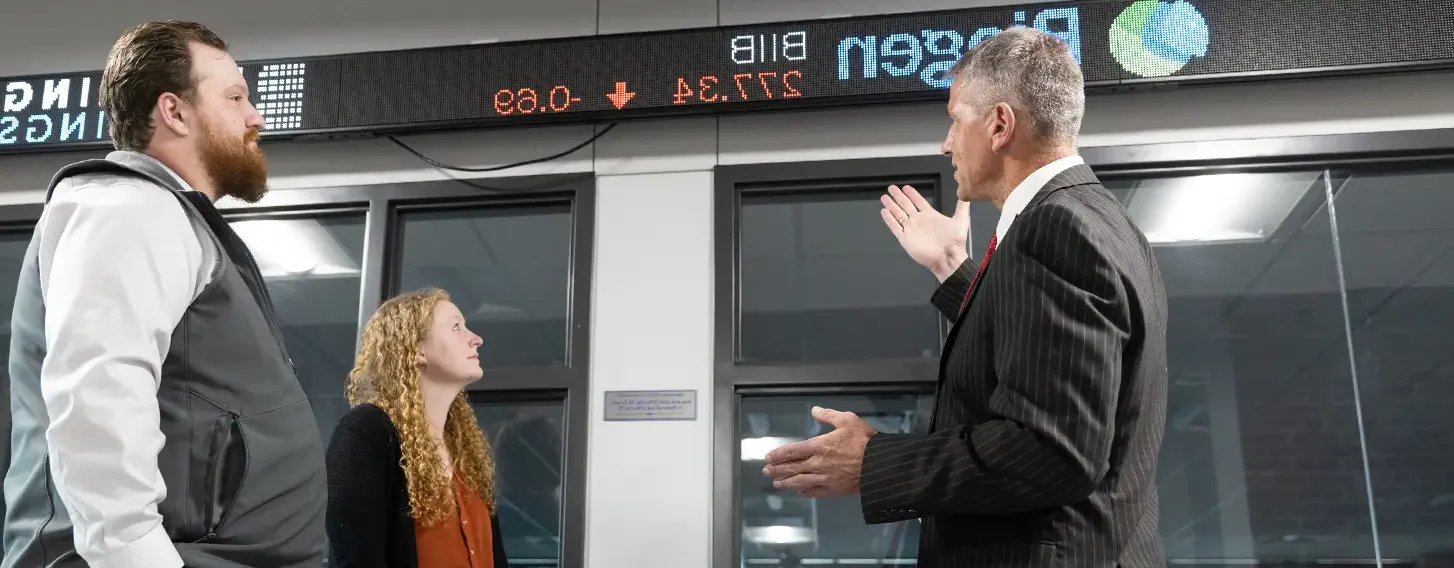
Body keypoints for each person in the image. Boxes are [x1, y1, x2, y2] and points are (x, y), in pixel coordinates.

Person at [761, 26, 1170, 567]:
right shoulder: (1104, 223)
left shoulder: (1055, 229)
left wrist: (874, 463)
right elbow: (1044, 356)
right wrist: (953, 270)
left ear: (999, 124)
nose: (946, 142)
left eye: (955, 119)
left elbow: (1053, 450)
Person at [2, 20, 326, 568]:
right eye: (236, 97)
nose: (256, 117)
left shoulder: (166, 216)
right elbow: (97, 394)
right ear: (174, 112)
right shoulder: (129, 207)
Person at [326, 288, 510, 568]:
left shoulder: (465, 448)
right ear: (416, 349)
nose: (476, 339)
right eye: (457, 327)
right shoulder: (366, 433)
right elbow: (357, 559)